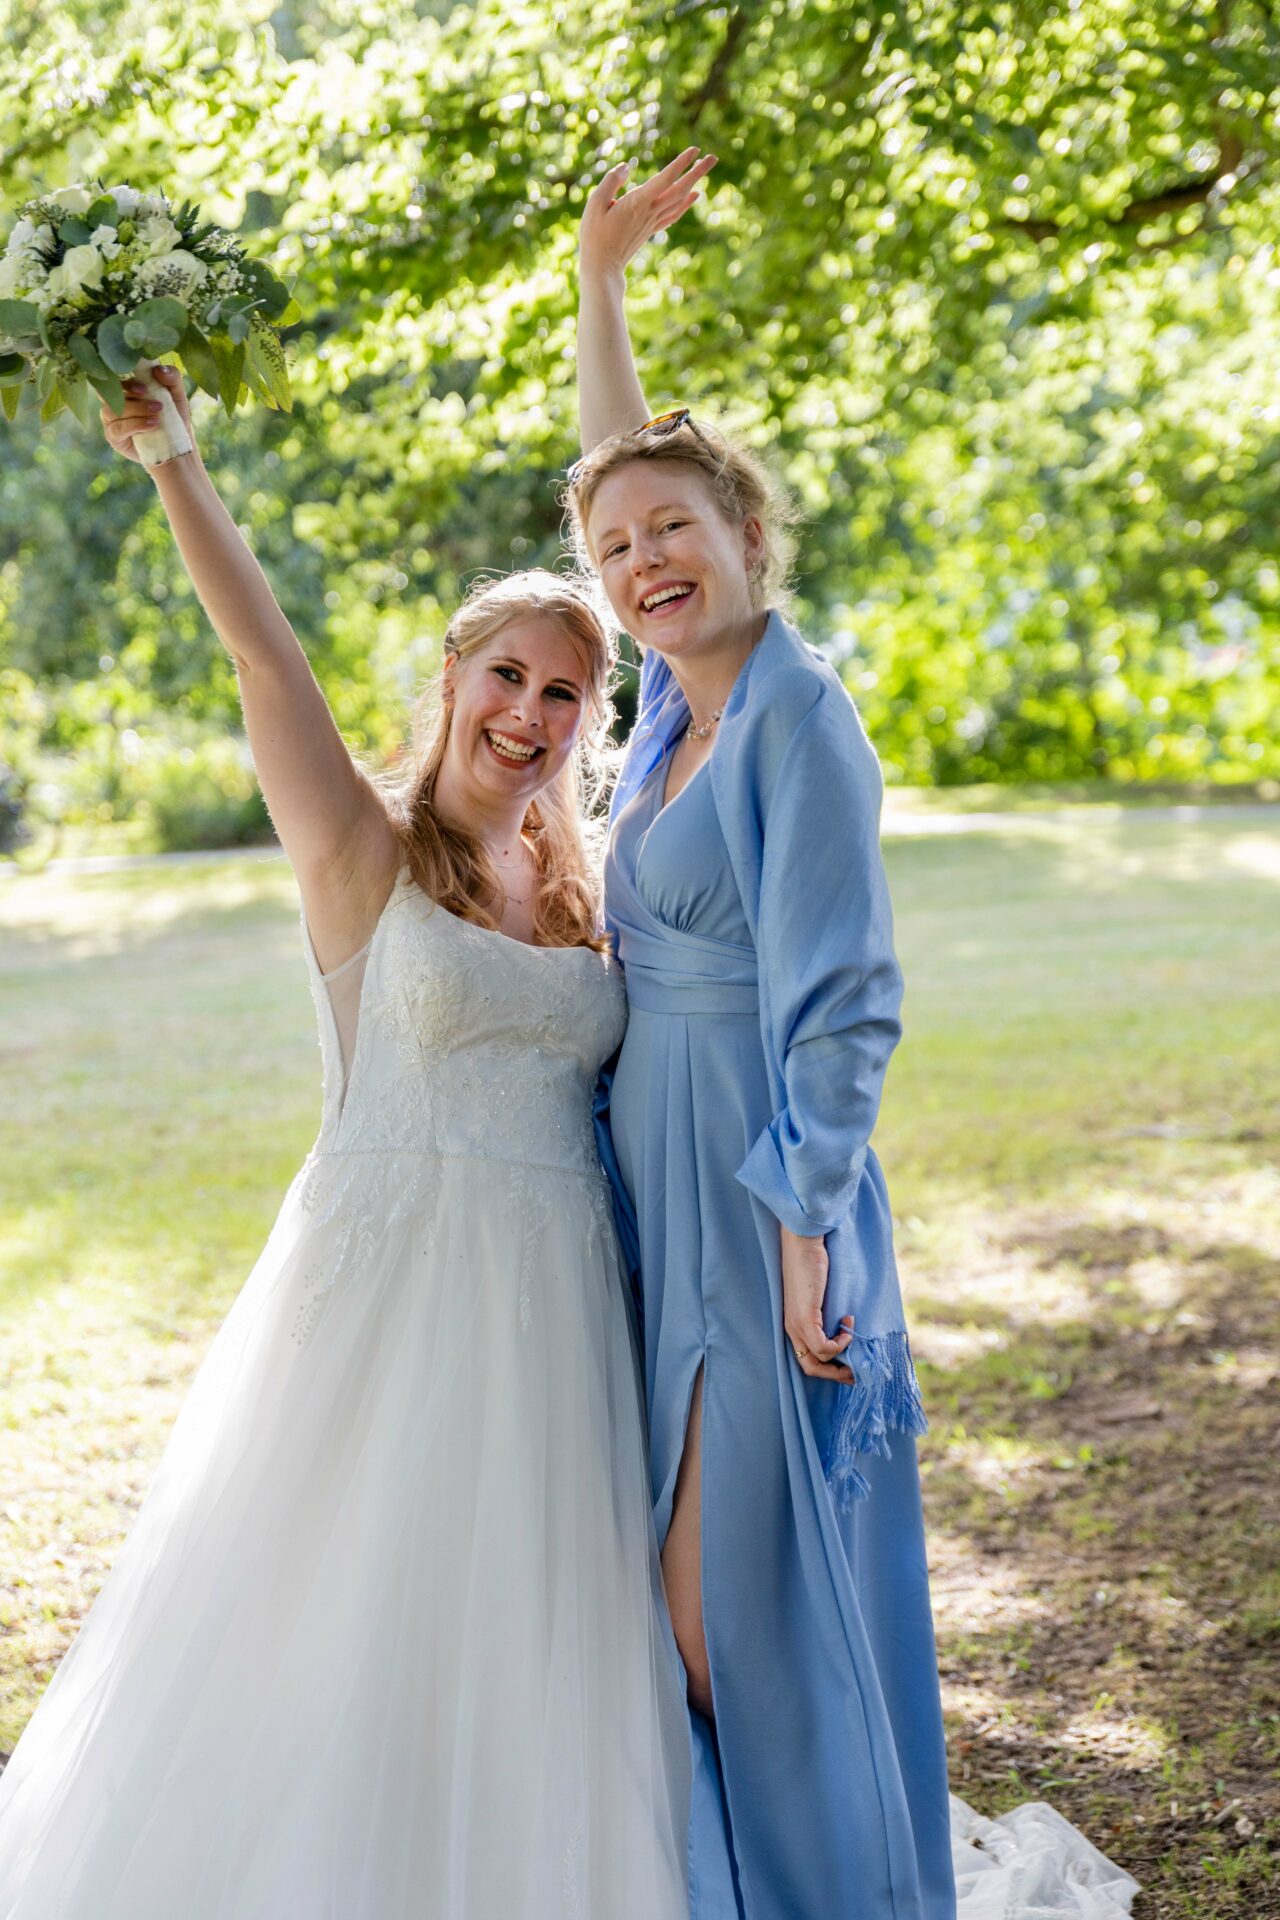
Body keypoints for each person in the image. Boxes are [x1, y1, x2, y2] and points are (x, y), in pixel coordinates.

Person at [0, 368, 691, 1917]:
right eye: (507, 675)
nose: (530, 713)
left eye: (565, 691)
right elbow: (263, 654)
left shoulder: (595, 897)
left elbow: (658, 549)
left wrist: (603, 307)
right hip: (382, 1305)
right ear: (454, 680)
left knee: (528, 1634)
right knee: (345, 1619)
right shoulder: (363, 854)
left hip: (557, 1312)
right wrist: (177, 460)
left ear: (595, 715)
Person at [568, 149, 1141, 1920]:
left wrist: (810, 1231)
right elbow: (624, 469)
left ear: (754, 535)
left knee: (720, 1596)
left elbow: (847, 1001)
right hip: (650, 1178)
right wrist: (598, 291)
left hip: (759, 1195)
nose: (645, 560)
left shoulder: (796, 718)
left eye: (682, 529)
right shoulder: (676, 704)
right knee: (682, 1580)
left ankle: (823, 1886)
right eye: (614, 550)